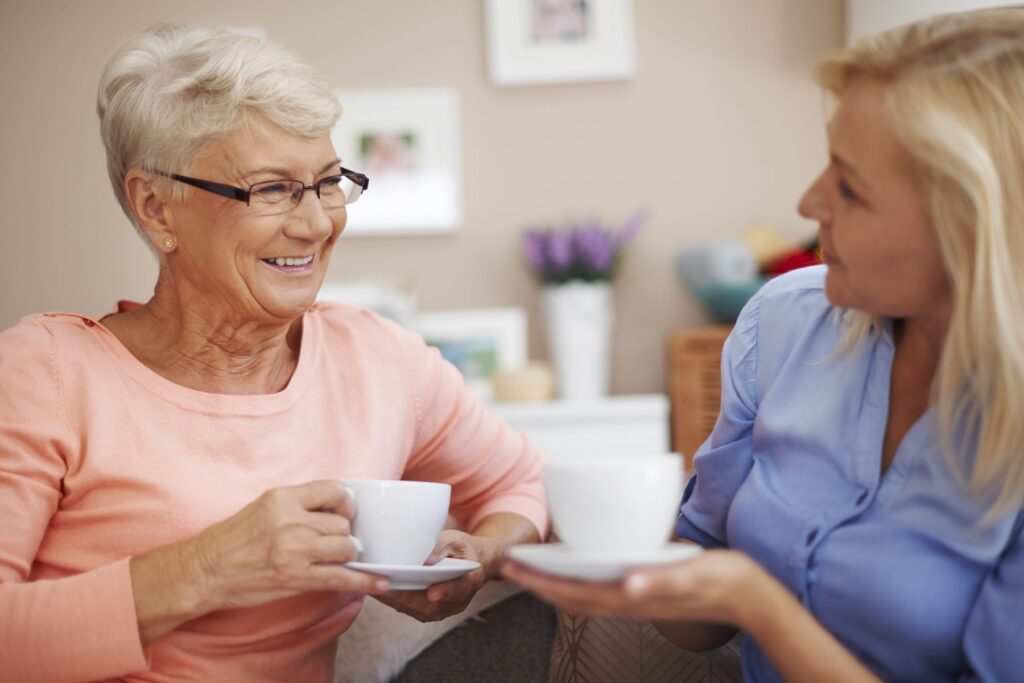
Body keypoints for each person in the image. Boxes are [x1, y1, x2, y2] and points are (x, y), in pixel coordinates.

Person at [0, 25, 547, 682]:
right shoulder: (46, 374)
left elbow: (525, 483)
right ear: (156, 208)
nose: (316, 222)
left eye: (326, 181)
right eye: (271, 189)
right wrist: (209, 567)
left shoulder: (378, 361)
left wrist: (482, 554)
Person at [505, 8, 1024, 682]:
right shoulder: (784, 322)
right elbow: (698, 619)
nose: (808, 202)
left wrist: (760, 604)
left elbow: (733, 596)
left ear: (969, 224)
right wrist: (583, 534)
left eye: (849, 185)